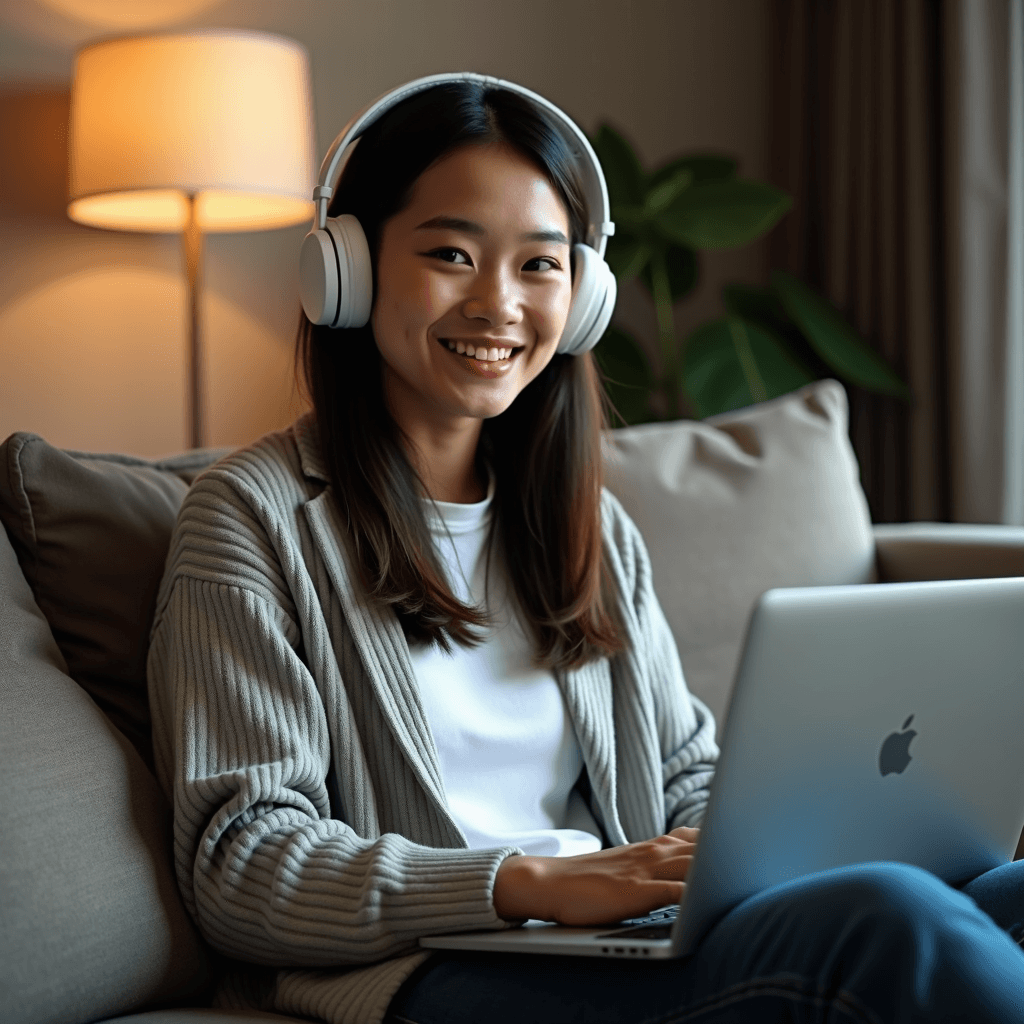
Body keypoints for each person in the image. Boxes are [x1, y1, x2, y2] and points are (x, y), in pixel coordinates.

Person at [147, 74, 1024, 1024]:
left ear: (585, 295)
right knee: (893, 925)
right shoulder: (252, 521)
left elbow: (687, 774)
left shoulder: (591, 525)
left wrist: (754, 854)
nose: (499, 305)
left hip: (624, 940)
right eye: (450, 252)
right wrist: (529, 884)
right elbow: (243, 864)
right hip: (434, 968)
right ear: (347, 270)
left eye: (540, 265)